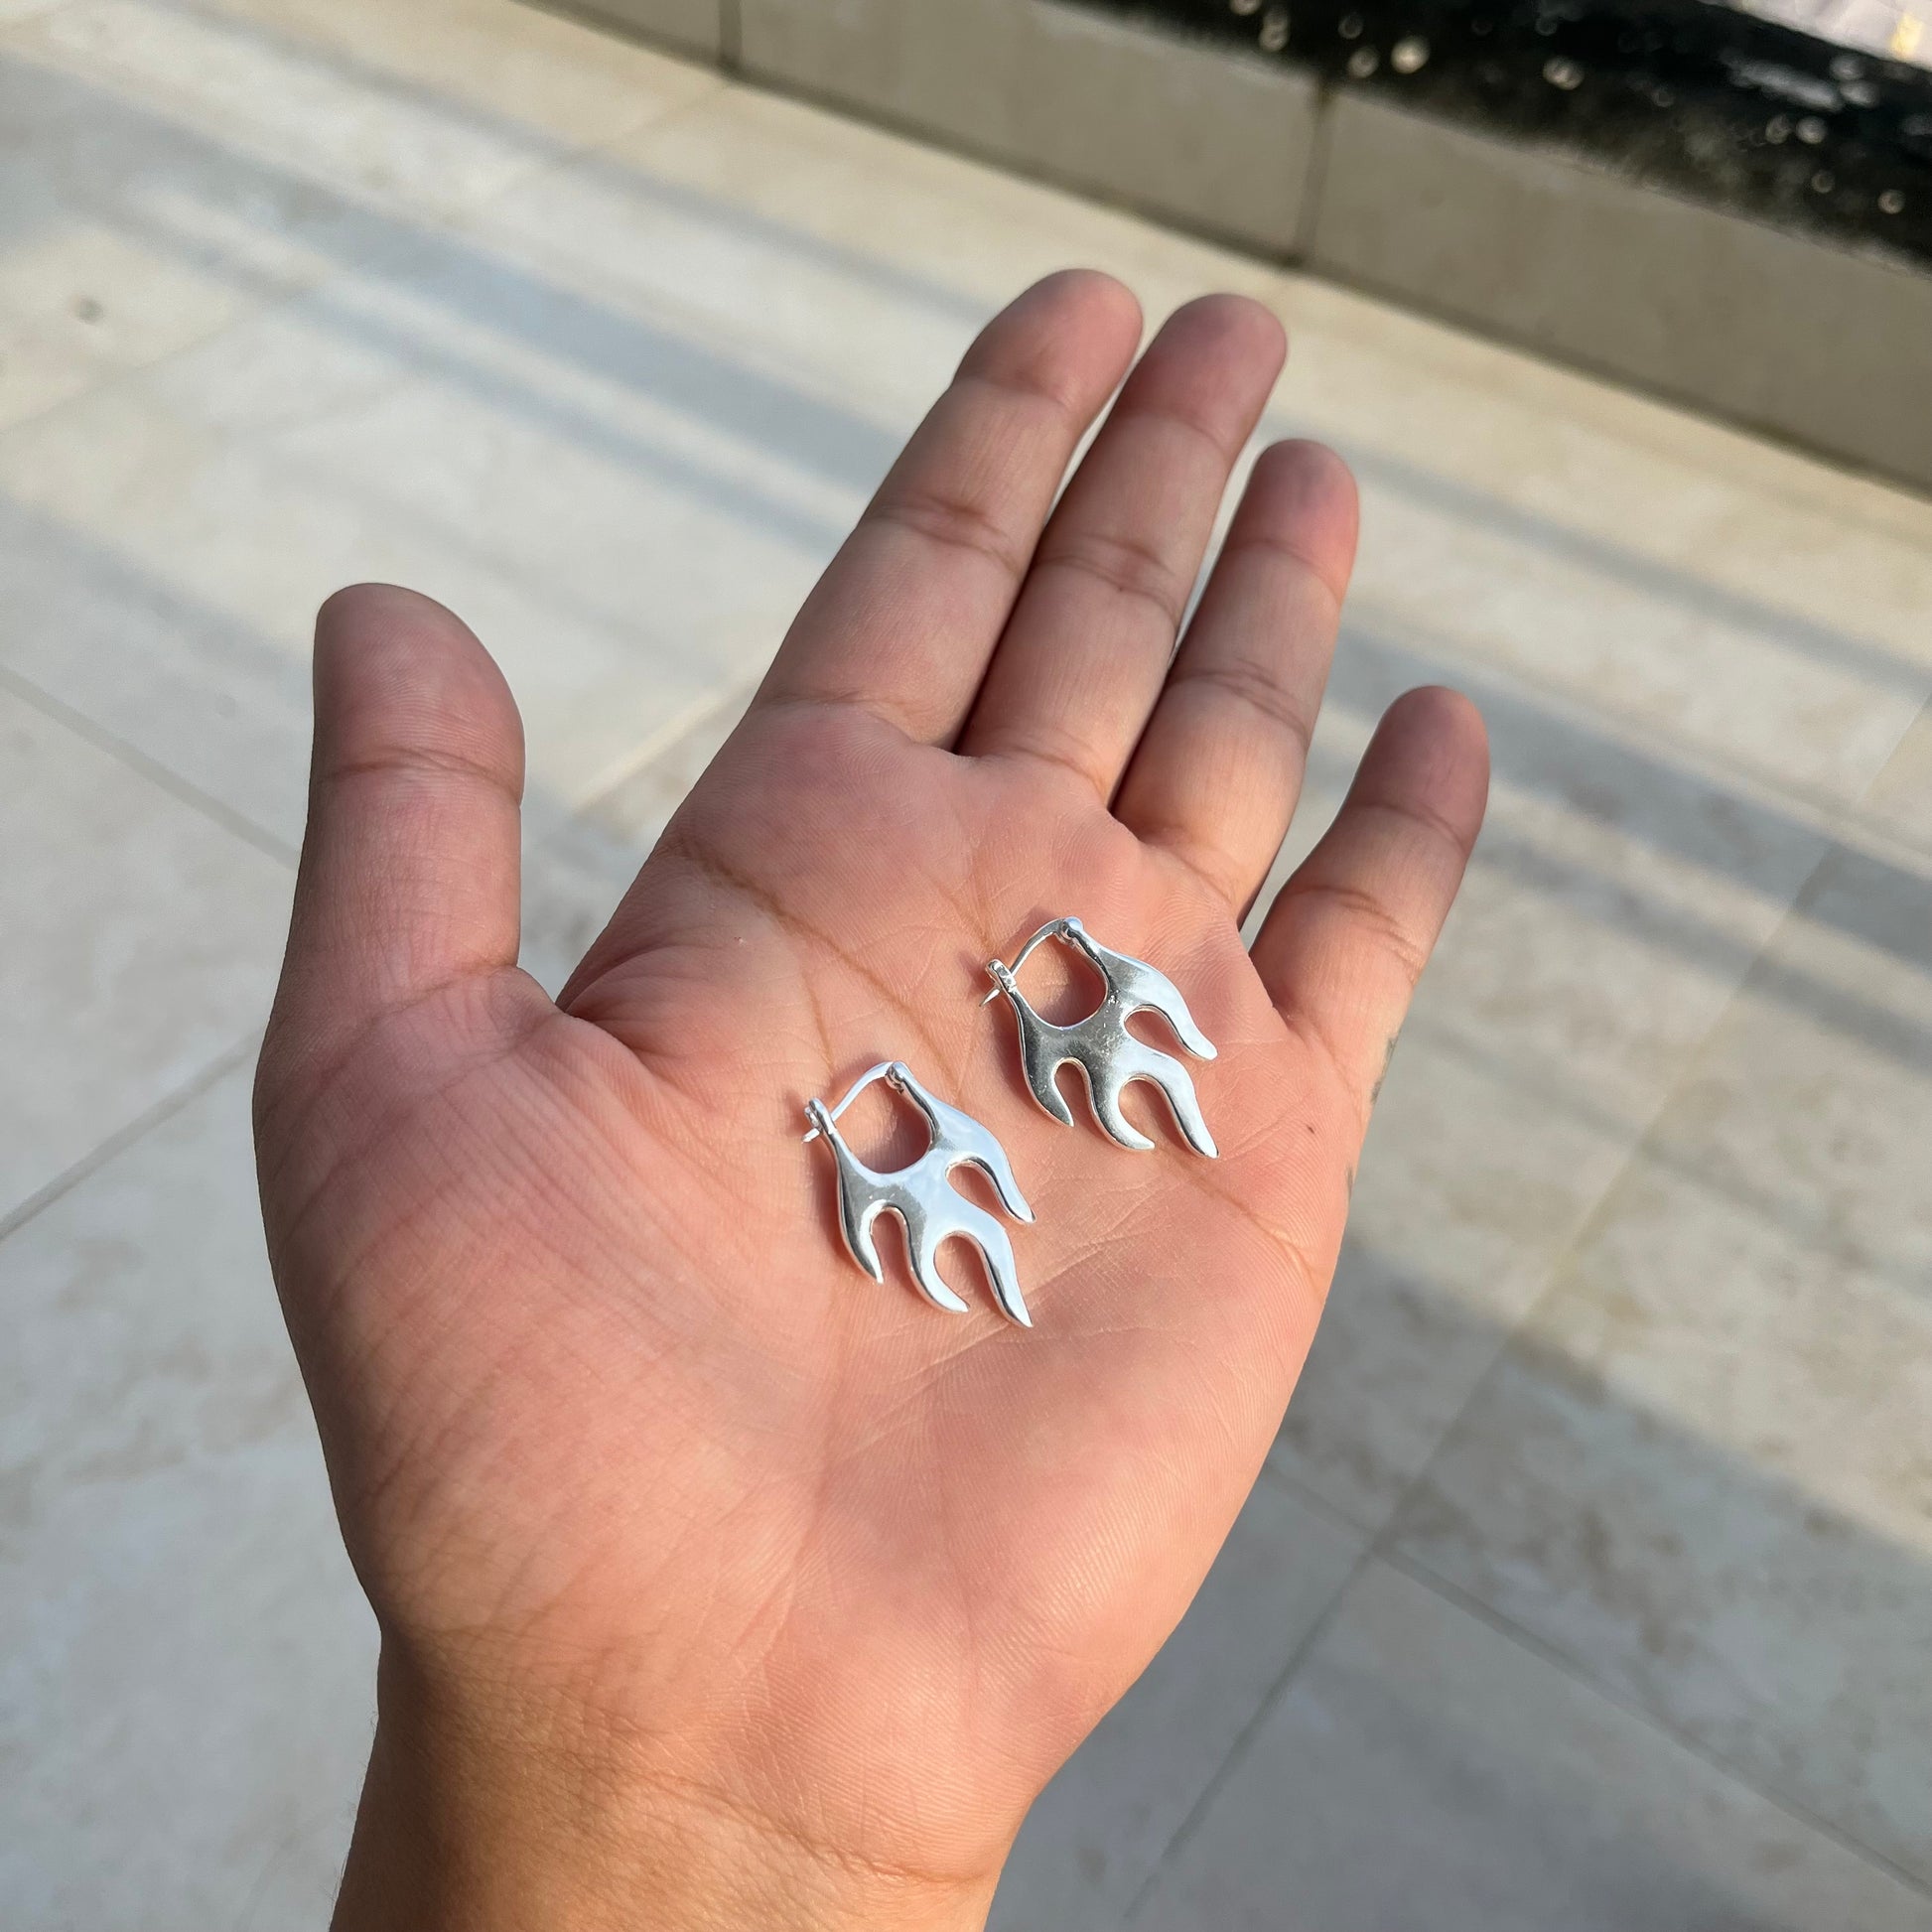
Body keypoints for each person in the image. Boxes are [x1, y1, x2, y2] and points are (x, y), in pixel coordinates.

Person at [252, 270, 1489, 1929]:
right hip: (928, 1106)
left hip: (963, 1081)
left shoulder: (1034, 1054)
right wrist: (692, 1804)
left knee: (1027, 1143)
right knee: (977, 1177)